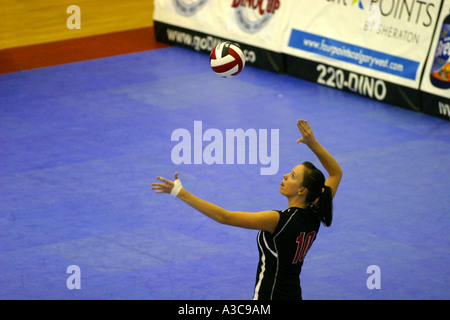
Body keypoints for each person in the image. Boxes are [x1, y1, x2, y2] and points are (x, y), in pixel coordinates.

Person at [151, 119, 343, 300]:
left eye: (292, 176)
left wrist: (180, 192)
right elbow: (336, 173)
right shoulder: (316, 211)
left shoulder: (277, 220)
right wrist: (312, 143)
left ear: (302, 190)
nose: (285, 176)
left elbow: (224, 217)